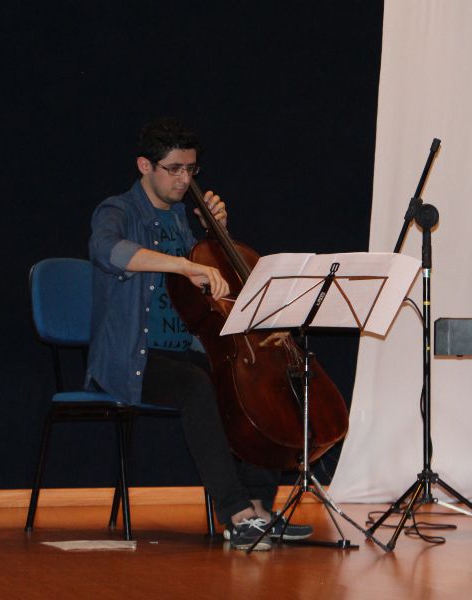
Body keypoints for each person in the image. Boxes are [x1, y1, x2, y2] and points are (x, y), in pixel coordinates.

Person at [85, 117, 312, 551]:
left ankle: (261, 508)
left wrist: (216, 234)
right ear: (144, 166)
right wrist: (185, 264)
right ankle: (235, 513)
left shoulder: (184, 221)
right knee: (196, 386)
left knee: (258, 382)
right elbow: (106, 251)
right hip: (134, 357)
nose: (184, 179)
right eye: (173, 169)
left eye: (191, 169)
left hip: (188, 350)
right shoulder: (117, 210)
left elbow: (214, 289)